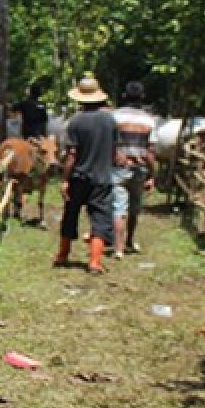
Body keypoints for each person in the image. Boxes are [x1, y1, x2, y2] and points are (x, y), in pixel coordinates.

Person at [54, 74, 117, 274]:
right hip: (103, 177)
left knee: (71, 214)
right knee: (100, 218)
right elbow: (114, 150)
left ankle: (63, 254)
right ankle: (95, 262)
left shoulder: (75, 122)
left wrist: (65, 179)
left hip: (79, 177)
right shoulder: (110, 121)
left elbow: (72, 154)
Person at [111, 81, 157, 258]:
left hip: (119, 167)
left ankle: (118, 248)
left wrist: (115, 156)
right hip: (140, 167)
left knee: (118, 207)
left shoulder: (115, 117)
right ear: (143, 97)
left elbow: (109, 143)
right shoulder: (149, 120)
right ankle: (130, 240)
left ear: (124, 96)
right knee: (135, 207)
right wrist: (152, 175)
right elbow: (151, 151)